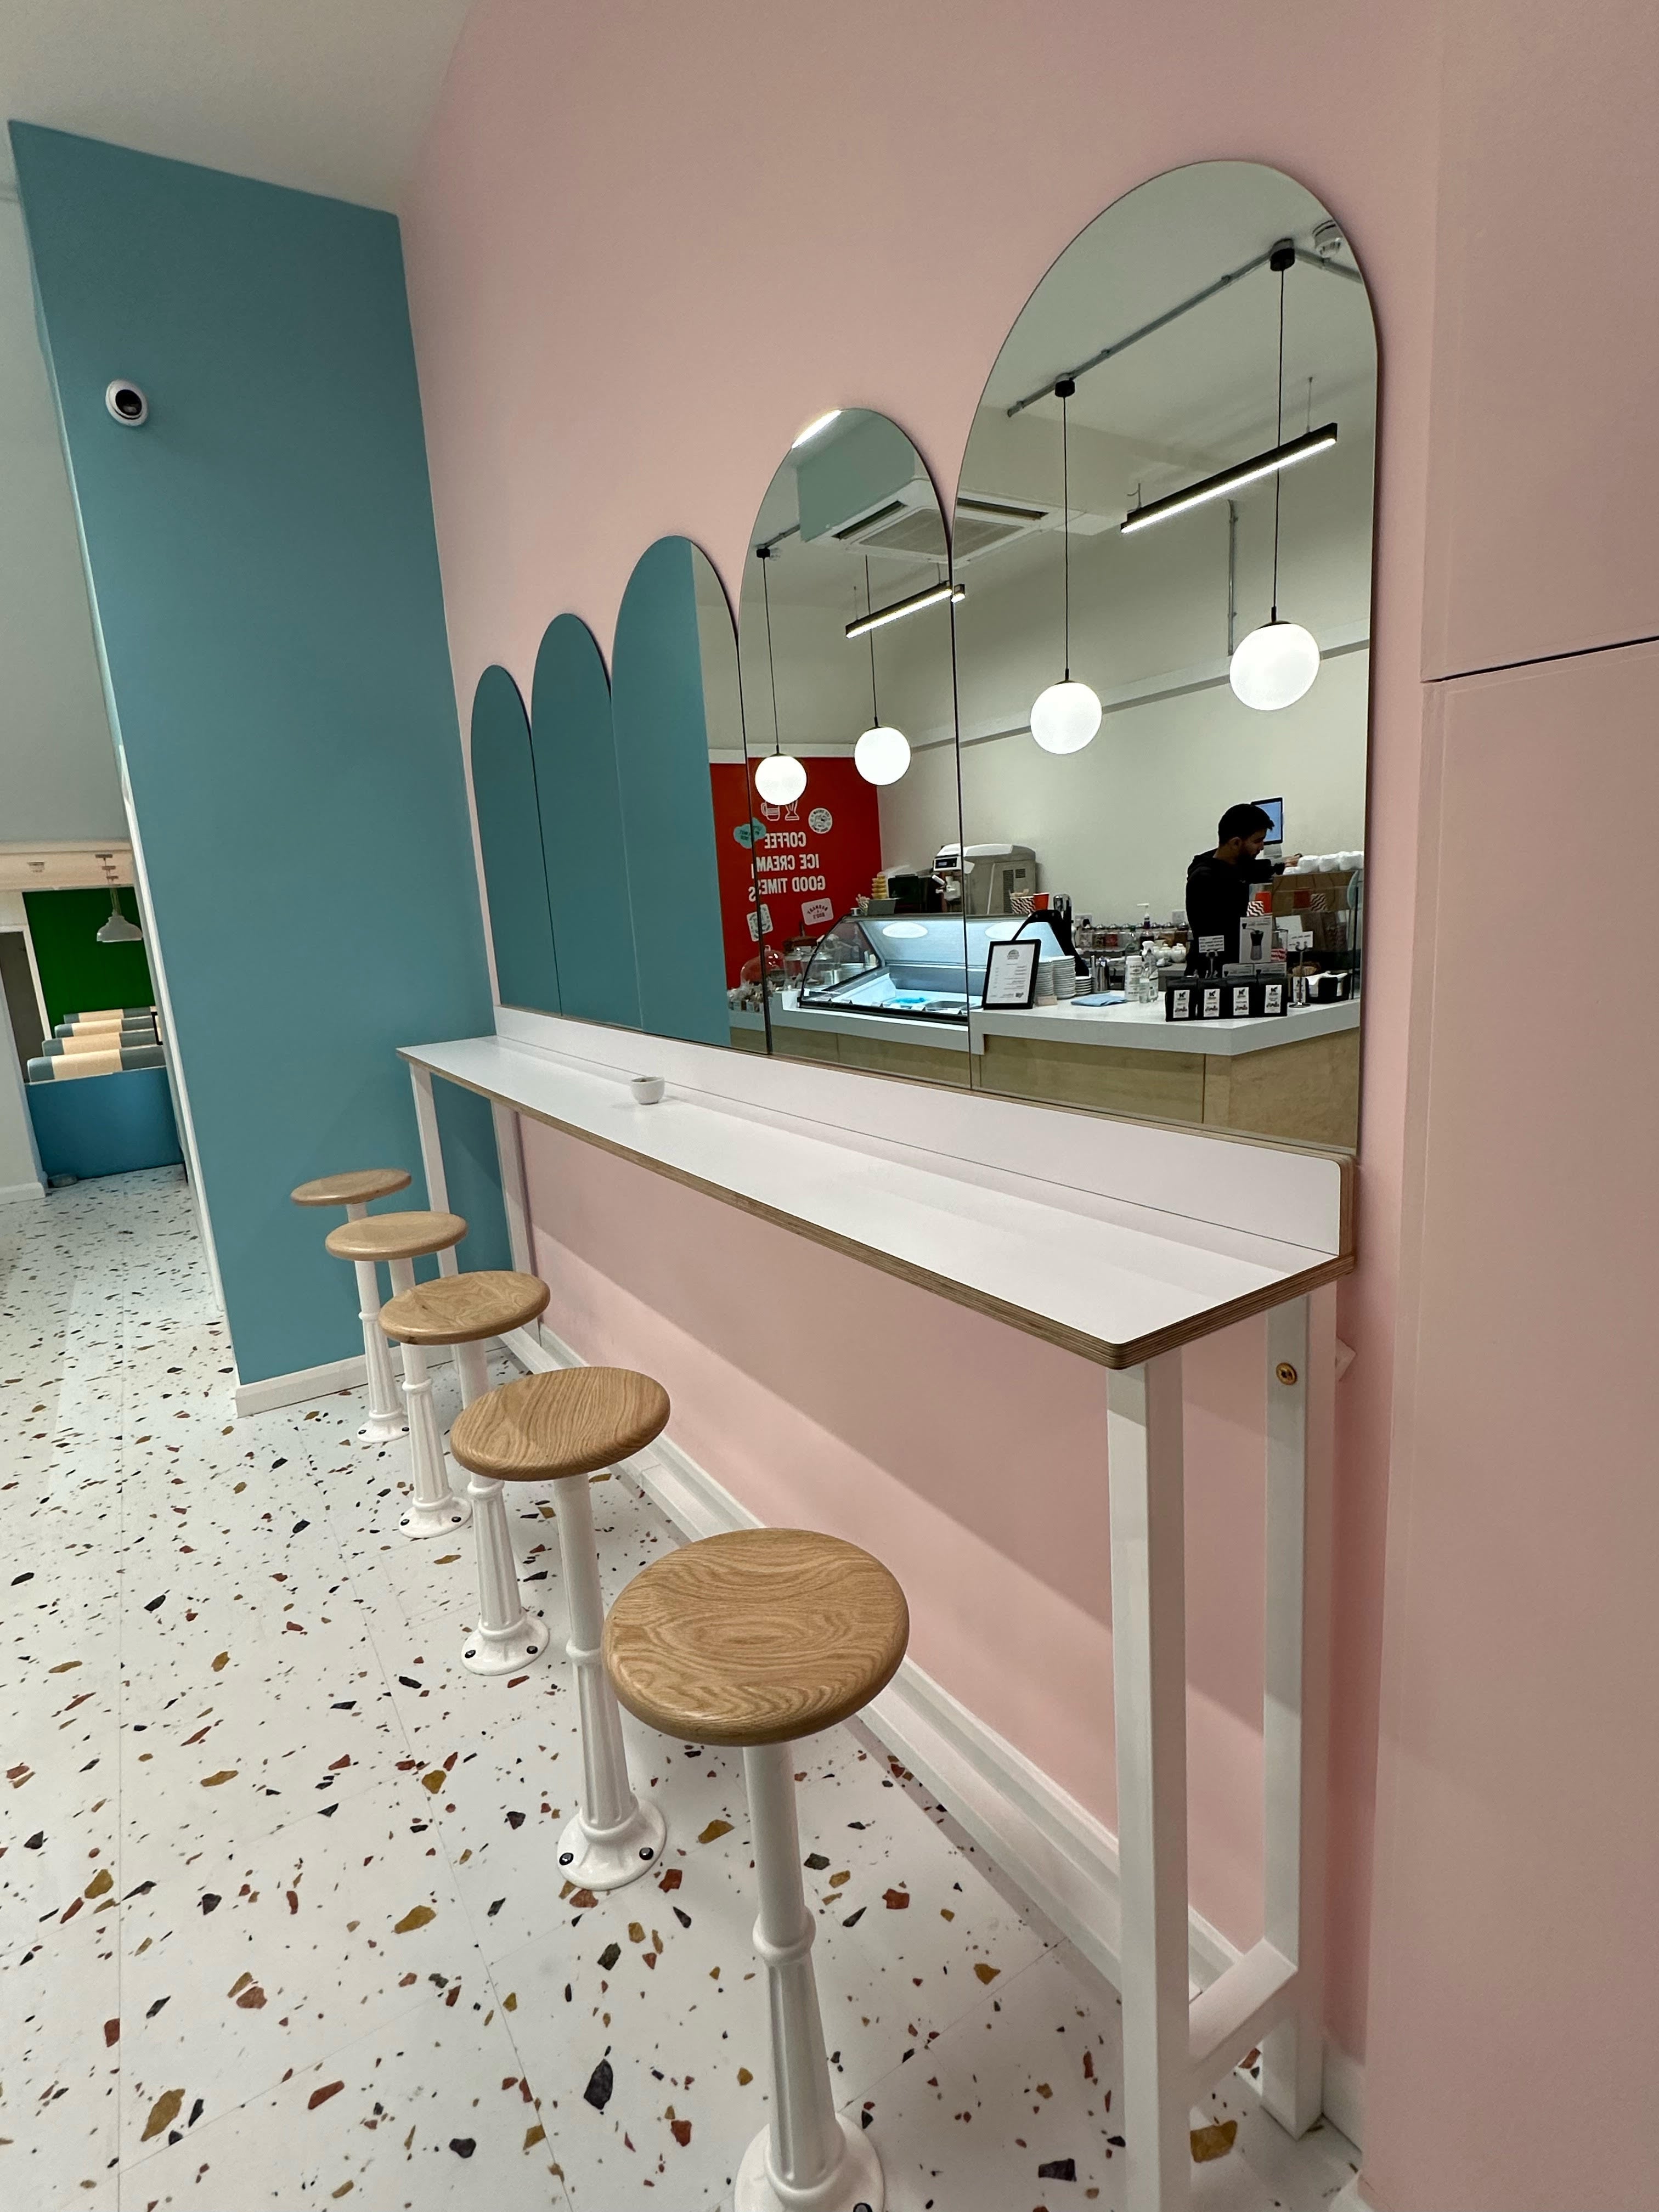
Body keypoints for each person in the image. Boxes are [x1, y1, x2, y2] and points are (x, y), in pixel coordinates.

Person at [1183, 803, 1301, 964]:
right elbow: (1218, 936)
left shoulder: (1234, 866)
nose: (1262, 847)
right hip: (1213, 968)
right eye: (1258, 841)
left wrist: (1282, 866)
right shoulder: (1205, 879)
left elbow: (1254, 869)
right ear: (1236, 843)